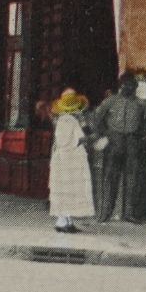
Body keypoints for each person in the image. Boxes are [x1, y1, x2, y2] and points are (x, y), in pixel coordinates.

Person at [91, 74, 146, 223]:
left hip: (132, 142)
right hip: (114, 141)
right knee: (110, 177)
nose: (128, 88)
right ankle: (105, 213)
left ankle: (128, 213)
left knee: (132, 178)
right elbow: (97, 119)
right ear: (120, 85)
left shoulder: (140, 104)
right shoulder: (110, 101)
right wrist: (104, 135)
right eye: (125, 85)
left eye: (131, 86)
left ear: (135, 88)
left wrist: (140, 137)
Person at [48, 88, 94, 234]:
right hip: (73, 159)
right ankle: (65, 221)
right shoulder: (73, 122)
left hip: (60, 159)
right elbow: (82, 138)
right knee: (72, 190)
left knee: (63, 189)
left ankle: (64, 220)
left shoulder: (59, 120)